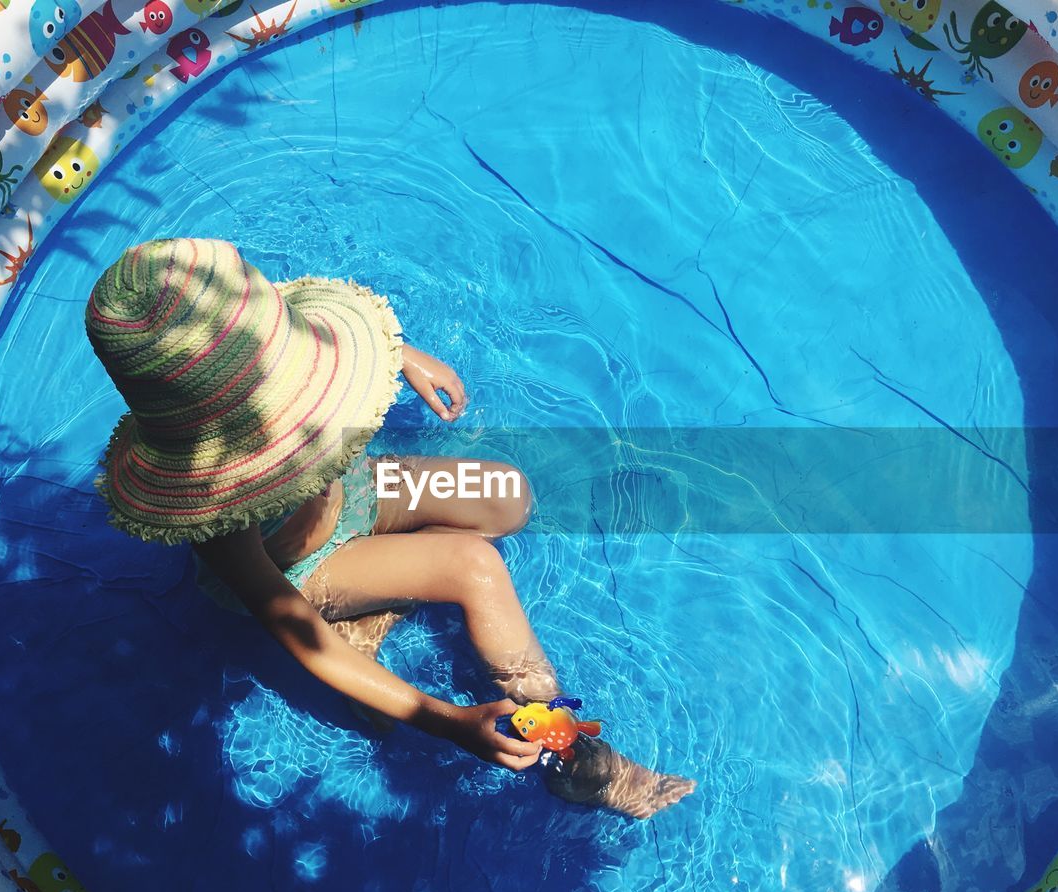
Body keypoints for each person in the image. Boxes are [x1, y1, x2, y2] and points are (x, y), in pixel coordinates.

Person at [85, 237, 694, 818]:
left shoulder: (241, 357)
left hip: (350, 493)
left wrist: (398, 354)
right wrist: (447, 720)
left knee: (507, 496)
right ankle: (569, 751)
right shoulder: (218, 505)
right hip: (300, 568)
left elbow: (298, 340)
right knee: (474, 565)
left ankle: (376, 605)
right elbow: (293, 632)